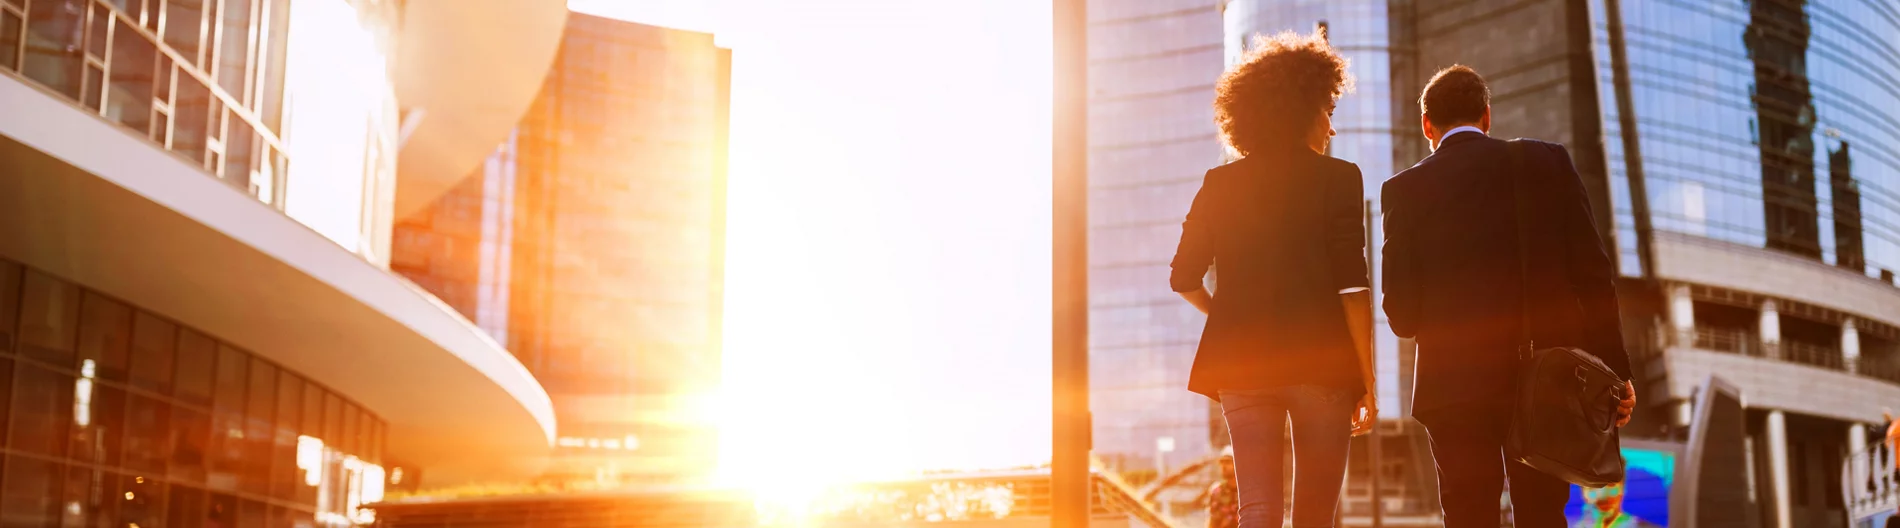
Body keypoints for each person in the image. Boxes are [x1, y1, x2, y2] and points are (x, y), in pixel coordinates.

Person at [1379, 65, 1637, 528]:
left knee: (1468, 513)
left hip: (1451, 386)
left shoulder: (1404, 189)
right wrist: (1616, 369)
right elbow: (1594, 275)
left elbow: (1402, 317)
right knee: (1541, 514)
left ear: (1426, 126)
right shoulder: (1546, 162)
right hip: (1542, 378)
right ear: (1487, 116)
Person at [1170, 29, 1377, 528]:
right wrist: (1366, 380)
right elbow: (1353, 288)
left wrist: (1225, 311)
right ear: (1305, 109)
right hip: (1322, 364)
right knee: (1314, 515)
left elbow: (1183, 278)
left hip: (1242, 362)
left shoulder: (1219, 184)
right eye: (1329, 113)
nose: (1332, 129)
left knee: (1257, 511)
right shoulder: (1339, 178)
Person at [1206, 446, 1239, 528]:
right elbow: (1212, 522)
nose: (1223, 466)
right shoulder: (1216, 491)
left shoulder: (1247, 492)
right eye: (1222, 462)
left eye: (1228, 462)